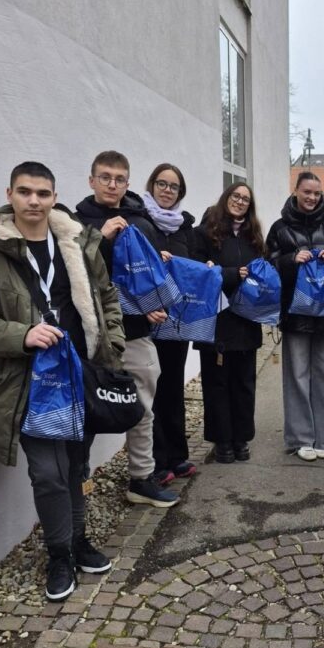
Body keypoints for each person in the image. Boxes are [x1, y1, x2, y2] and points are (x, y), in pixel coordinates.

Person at [0, 162, 125, 601]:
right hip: (28, 382)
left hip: (79, 375)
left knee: (75, 465)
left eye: (42, 193)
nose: (33, 201)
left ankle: (77, 541)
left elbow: (107, 296)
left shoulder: (77, 244)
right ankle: (58, 555)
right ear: (9, 195)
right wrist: (23, 335)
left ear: (54, 197)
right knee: (48, 473)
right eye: (25, 192)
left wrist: (113, 342)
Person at [76, 151, 179, 508]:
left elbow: (148, 275)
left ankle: (142, 478)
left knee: (143, 408)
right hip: (92, 335)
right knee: (88, 408)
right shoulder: (75, 222)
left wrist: (155, 303)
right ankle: (78, 483)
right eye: (105, 177)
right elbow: (71, 274)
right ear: (91, 180)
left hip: (135, 332)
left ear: (128, 183)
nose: (112, 184)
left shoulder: (141, 221)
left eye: (119, 179)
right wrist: (100, 239)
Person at [267, 171, 324, 460]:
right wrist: (290, 260)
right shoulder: (279, 227)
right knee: (297, 376)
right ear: (296, 191)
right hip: (294, 314)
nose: (312, 197)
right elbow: (269, 266)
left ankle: (323, 438)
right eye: (307, 192)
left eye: (316, 193)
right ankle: (301, 438)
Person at [190, 182, 266, 463]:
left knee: (244, 384)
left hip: (246, 320)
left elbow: (262, 269)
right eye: (236, 196)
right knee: (217, 385)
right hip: (216, 322)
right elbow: (198, 273)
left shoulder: (253, 235)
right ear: (226, 197)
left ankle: (241, 438)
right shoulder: (204, 233)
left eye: (246, 199)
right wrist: (232, 274)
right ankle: (222, 441)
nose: (240, 201)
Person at [142, 163, 199, 486]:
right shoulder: (140, 221)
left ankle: (178, 455)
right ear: (151, 186)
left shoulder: (184, 227)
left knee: (173, 387)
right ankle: (158, 460)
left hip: (177, 319)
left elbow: (194, 263)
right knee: (152, 389)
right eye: (162, 184)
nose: (167, 190)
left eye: (173, 186)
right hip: (148, 318)